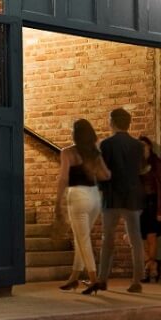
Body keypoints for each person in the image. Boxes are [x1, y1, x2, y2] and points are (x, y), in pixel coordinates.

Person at [85, 108, 146, 295]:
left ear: (112, 122)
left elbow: (100, 171)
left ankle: (103, 279)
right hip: (132, 196)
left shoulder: (106, 144)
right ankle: (137, 280)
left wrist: (100, 189)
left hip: (112, 197)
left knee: (108, 240)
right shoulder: (138, 146)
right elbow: (141, 170)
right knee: (135, 240)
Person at [55, 119, 110, 291]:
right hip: (95, 197)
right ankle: (74, 277)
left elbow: (63, 178)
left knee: (83, 239)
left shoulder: (68, 153)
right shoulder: (95, 154)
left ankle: (94, 280)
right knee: (82, 237)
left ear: (75, 134)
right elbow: (106, 175)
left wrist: (57, 202)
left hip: (77, 196)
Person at [138, 136, 161, 283]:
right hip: (138, 204)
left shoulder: (157, 163)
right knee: (136, 237)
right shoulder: (136, 164)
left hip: (152, 203)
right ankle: (152, 264)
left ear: (149, 147)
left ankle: (147, 268)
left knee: (151, 237)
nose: (142, 149)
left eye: (144, 146)